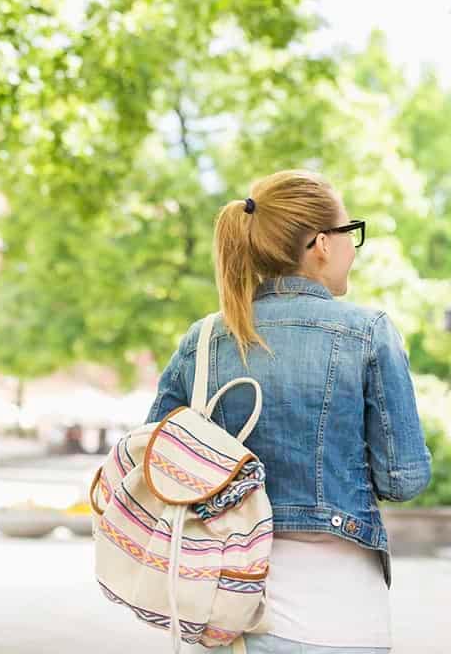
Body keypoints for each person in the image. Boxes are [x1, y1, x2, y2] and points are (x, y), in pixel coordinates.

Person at [145, 169, 432, 654]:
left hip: (224, 613)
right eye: (350, 233)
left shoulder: (206, 339)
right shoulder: (368, 332)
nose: (352, 249)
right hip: (340, 614)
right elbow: (403, 478)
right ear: (321, 243)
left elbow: (158, 458)